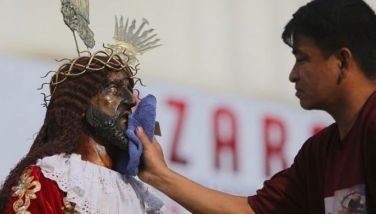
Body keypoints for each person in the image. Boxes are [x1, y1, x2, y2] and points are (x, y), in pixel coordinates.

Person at [135, 0, 376, 213]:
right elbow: (251, 211)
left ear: (342, 61)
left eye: (302, 58)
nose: (293, 75)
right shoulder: (319, 153)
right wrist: (158, 174)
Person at [0, 52, 166, 213]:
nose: (131, 100)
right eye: (113, 88)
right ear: (80, 104)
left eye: (129, 88)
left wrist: (161, 174)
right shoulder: (50, 181)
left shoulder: (138, 197)